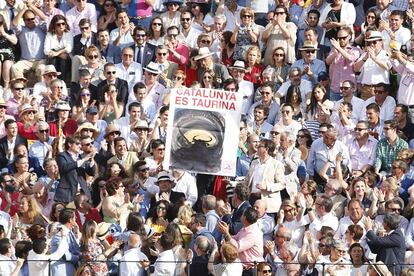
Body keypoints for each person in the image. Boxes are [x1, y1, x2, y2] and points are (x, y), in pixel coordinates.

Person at [218, 207, 264, 275]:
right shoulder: (245, 229)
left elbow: (237, 247)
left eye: (242, 215)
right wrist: (226, 233)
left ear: (245, 218)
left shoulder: (253, 233)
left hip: (252, 270)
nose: (241, 216)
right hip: (243, 268)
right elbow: (234, 238)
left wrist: (226, 233)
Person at [244, 139, 285, 213]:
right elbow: (247, 179)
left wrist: (267, 187)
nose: (257, 147)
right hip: (252, 199)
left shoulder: (276, 164)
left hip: (267, 202)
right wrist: (233, 183)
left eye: (260, 146)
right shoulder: (254, 162)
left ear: (266, 149)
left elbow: (282, 184)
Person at [54, 135, 96, 203]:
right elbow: (65, 167)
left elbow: (91, 173)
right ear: (70, 144)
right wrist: (83, 160)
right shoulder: (62, 155)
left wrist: (91, 161)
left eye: (80, 144)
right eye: (77, 144)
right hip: (68, 194)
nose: (79, 146)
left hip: (83, 193)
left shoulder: (81, 157)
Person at [49, 208, 80, 275]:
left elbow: (75, 248)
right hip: (61, 270)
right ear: (70, 220)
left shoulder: (69, 231)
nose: (76, 218)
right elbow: (65, 255)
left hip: (69, 269)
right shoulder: (59, 233)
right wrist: (79, 257)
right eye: (75, 217)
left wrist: (77, 233)